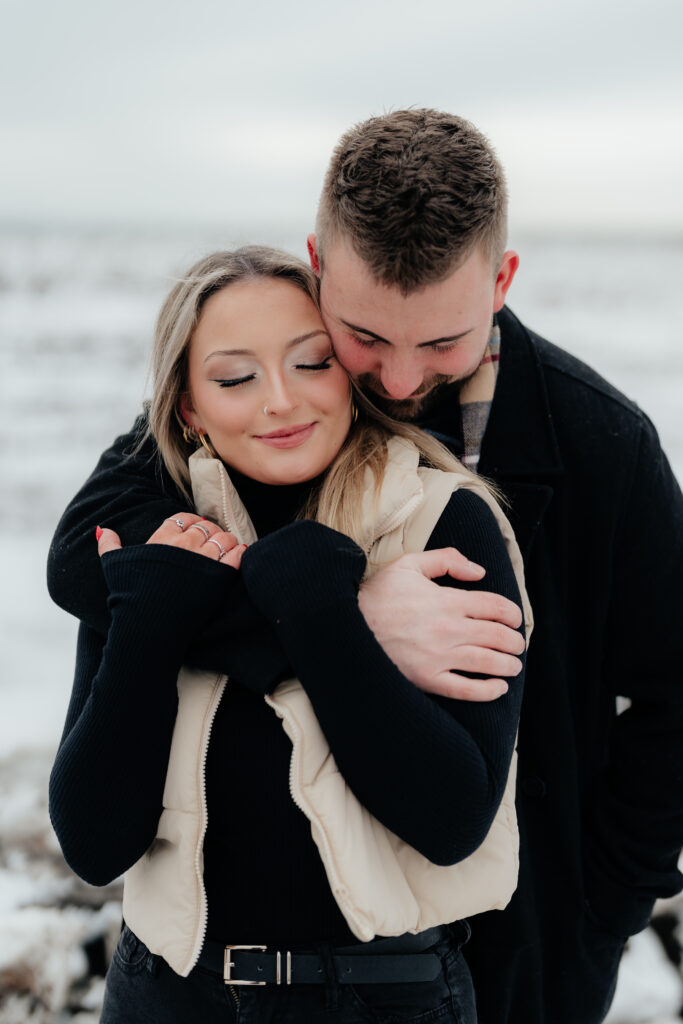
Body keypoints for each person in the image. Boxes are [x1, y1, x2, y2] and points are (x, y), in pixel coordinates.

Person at [47, 109, 683, 1024]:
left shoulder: (601, 444)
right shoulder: (265, 404)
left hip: (521, 931)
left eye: (438, 344)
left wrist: (603, 911)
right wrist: (347, 617)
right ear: (319, 266)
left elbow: (669, 697)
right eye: (363, 338)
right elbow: (84, 558)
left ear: (500, 280)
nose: (393, 380)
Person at [49, 246, 531, 1023]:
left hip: (382, 997)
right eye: (235, 378)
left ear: (350, 369)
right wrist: (152, 615)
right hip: (164, 989)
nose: (280, 401)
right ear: (186, 409)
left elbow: (451, 824)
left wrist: (319, 611)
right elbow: (95, 844)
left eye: (311, 363)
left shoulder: (442, 522)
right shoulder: (161, 541)